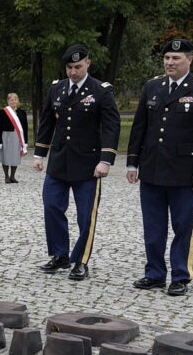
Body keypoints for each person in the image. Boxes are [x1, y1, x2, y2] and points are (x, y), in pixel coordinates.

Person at [126, 38, 193, 296]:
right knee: (153, 227)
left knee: (183, 227)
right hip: (153, 170)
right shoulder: (153, 87)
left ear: (189, 59)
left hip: (185, 173)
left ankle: (180, 275)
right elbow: (139, 129)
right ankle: (155, 273)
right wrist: (132, 162)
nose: (170, 62)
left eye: (176, 58)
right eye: (167, 58)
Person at [33, 44, 120, 281]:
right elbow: (48, 122)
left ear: (88, 64)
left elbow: (111, 126)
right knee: (51, 207)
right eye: (70, 67)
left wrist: (106, 160)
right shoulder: (57, 89)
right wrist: (39, 153)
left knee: (85, 216)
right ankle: (60, 255)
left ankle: (80, 260)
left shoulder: (101, 91)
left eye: (78, 67)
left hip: (88, 164)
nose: (73, 72)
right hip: (59, 161)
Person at [0, 93, 28, 183]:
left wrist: (25, 142)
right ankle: (6, 176)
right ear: (8, 101)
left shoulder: (22, 112)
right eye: (11, 100)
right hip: (6, 136)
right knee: (5, 156)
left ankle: (12, 176)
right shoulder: (2, 112)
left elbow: (25, 128)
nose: (13, 101)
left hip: (17, 137)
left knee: (15, 156)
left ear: (18, 101)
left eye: (15, 99)